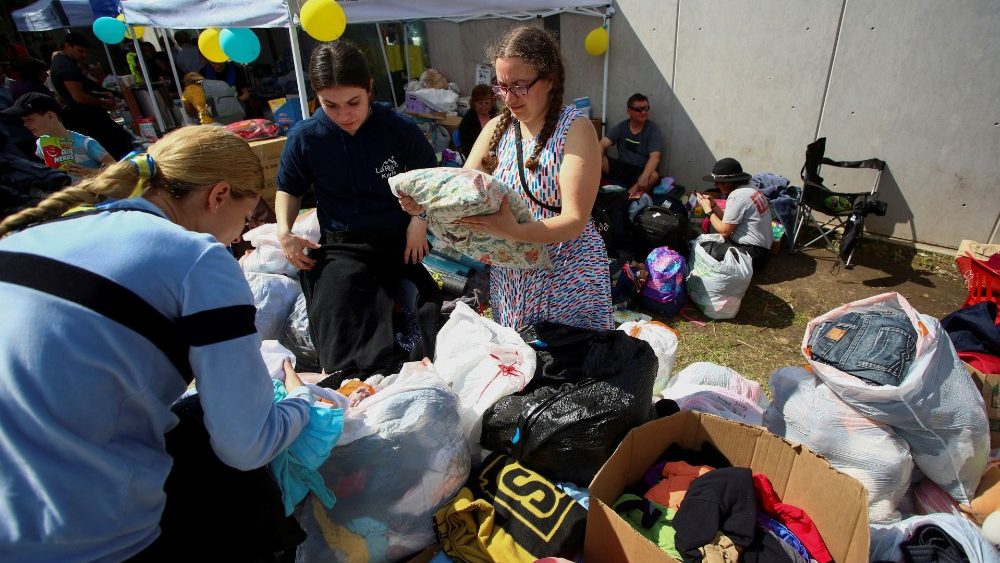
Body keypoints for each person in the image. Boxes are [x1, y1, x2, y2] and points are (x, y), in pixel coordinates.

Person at [0, 125, 313, 560]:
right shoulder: (197, 257)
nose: (241, 234)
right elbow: (246, 445)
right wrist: (306, 406)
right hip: (83, 532)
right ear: (218, 195)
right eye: (246, 217)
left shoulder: (35, 235)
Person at [402, 26, 611, 331]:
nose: (509, 97)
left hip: (568, 272)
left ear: (550, 79)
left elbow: (575, 221)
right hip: (513, 273)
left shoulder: (575, 130)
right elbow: (460, 191)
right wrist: (423, 206)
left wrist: (513, 230)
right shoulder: (497, 128)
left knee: (569, 367)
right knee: (522, 365)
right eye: (502, 86)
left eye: (520, 86)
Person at [276, 40, 441, 384]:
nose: (344, 115)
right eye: (330, 105)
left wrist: (418, 221)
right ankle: (351, 384)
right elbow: (288, 189)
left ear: (369, 88)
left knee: (423, 313)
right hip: (342, 245)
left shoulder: (399, 129)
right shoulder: (306, 137)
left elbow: (432, 181)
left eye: (354, 103)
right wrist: (284, 231)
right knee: (340, 308)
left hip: (400, 240)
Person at [49, 32, 133, 159]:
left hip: (87, 117)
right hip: (87, 119)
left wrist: (102, 92)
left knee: (120, 144)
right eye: (80, 51)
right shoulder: (65, 66)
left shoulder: (64, 62)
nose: (84, 55)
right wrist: (104, 102)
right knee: (118, 147)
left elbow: (85, 87)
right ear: (67, 46)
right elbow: (79, 96)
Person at [1, 92, 115, 181]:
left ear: (50, 116)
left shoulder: (85, 143)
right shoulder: (41, 144)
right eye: (23, 121)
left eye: (29, 119)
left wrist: (90, 172)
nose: (25, 125)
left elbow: (116, 169)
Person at [696, 157, 773, 272]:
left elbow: (724, 231)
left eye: (719, 182)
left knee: (702, 250)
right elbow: (728, 221)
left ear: (731, 182)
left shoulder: (738, 195)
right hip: (762, 251)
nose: (716, 185)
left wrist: (707, 209)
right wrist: (713, 205)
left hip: (751, 255)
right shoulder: (750, 188)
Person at [600, 93, 663, 199]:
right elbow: (601, 144)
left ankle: (627, 198)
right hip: (621, 166)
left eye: (646, 108)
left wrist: (644, 176)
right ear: (629, 111)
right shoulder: (622, 126)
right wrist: (598, 155)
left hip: (639, 171)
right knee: (596, 158)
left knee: (653, 176)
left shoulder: (653, 130)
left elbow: (655, 157)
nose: (644, 112)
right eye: (639, 109)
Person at [457, 83, 497, 158]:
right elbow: (467, 148)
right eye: (480, 103)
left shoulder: (495, 113)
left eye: (487, 102)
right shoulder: (468, 120)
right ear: (474, 103)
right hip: (477, 155)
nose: (484, 106)